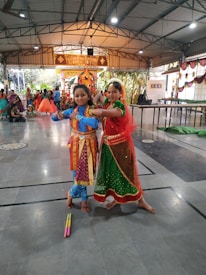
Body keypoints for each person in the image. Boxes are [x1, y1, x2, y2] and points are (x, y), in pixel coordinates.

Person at [91, 80, 155, 214]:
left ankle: (141, 201)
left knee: (127, 174)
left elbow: (110, 113)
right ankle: (116, 199)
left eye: (115, 92)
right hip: (108, 147)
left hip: (121, 147)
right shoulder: (109, 103)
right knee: (113, 175)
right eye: (109, 92)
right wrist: (96, 99)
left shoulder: (120, 106)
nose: (111, 94)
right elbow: (97, 97)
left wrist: (93, 110)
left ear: (120, 93)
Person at [52, 84, 99, 212]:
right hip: (76, 146)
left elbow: (94, 123)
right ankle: (84, 201)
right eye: (77, 95)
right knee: (78, 174)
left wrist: (77, 117)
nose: (79, 98)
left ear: (88, 96)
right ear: (74, 97)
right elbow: (53, 118)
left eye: (83, 95)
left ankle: (71, 194)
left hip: (89, 146)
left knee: (87, 173)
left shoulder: (93, 110)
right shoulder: (71, 111)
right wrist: (58, 114)